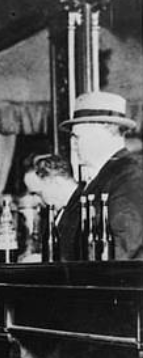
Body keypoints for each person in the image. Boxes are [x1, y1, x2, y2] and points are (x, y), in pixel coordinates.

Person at [61, 91, 143, 259]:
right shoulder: (95, 178)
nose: (73, 145)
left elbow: (124, 250)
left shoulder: (131, 175)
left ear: (106, 130)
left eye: (77, 137)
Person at [23, 153, 83, 261]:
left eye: (38, 193)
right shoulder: (61, 210)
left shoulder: (84, 209)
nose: (36, 200)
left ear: (56, 181)